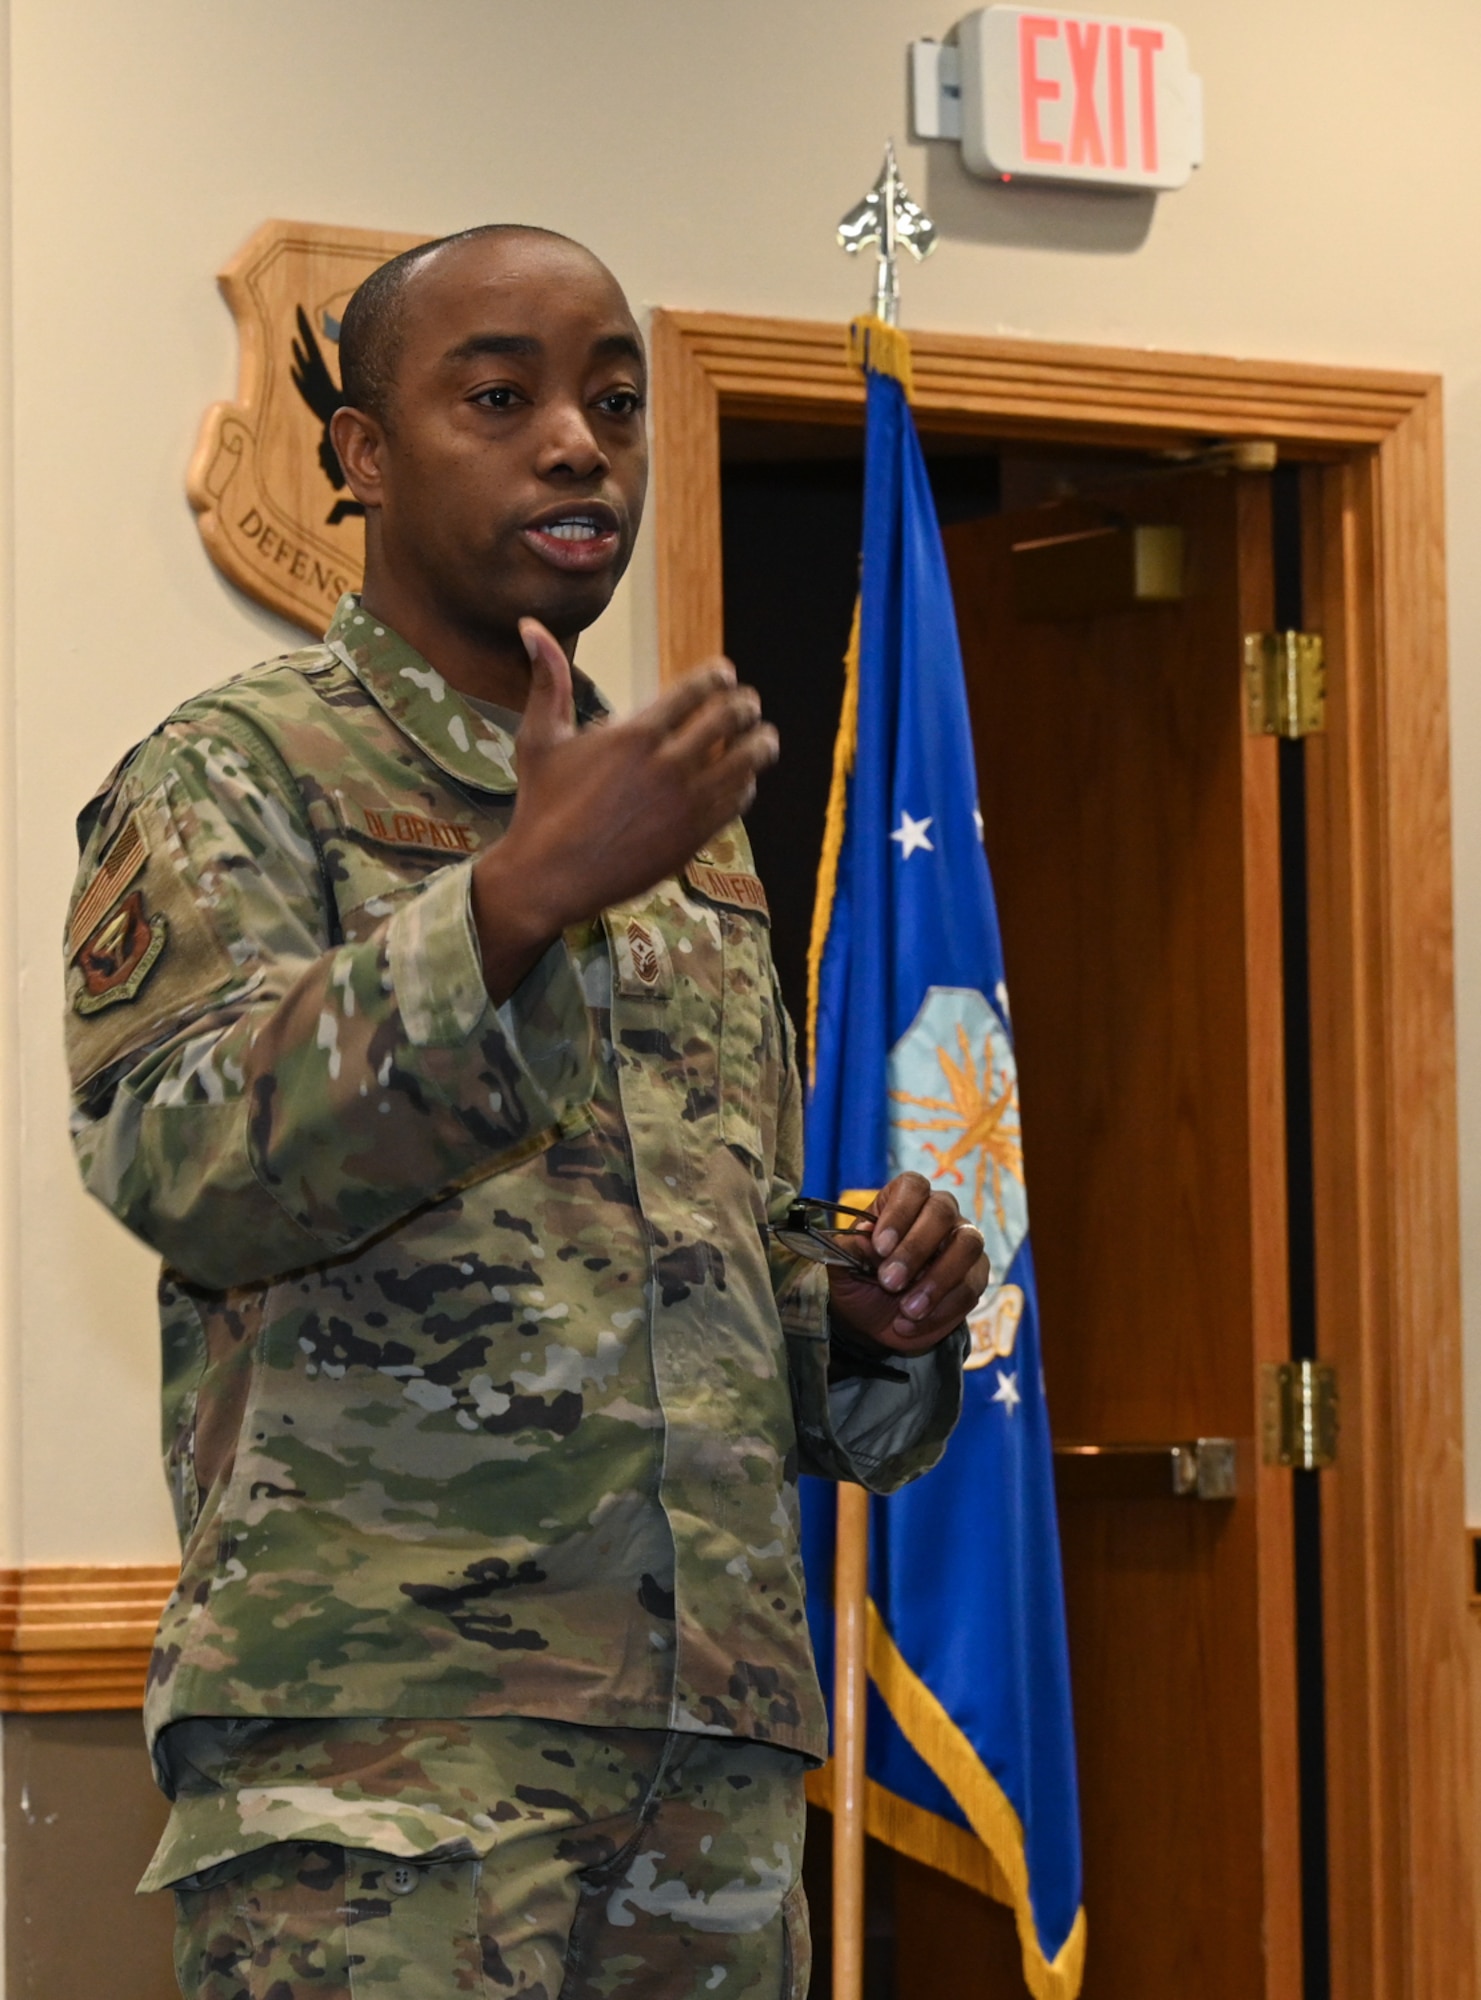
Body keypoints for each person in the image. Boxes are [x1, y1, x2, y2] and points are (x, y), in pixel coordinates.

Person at [65, 224, 989, 2000]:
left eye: (616, 403)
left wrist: (850, 1307)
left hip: (701, 1765)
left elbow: (682, 1247)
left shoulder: (678, 825)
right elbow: (183, 1155)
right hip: (384, 1768)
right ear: (360, 453)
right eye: (500, 397)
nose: (578, 441)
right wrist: (503, 905)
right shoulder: (236, 773)